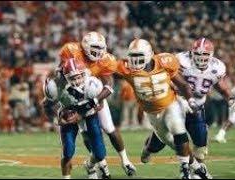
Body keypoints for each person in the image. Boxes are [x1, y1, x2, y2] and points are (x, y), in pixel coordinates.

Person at [117, 38, 209, 179]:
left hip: (170, 104)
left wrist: (190, 100)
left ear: (149, 54)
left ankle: (184, 171)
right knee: (171, 142)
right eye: (133, 56)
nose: (135, 60)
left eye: (139, 56)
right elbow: (104, 68)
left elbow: (183, 84)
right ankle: (196, 166)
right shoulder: (125, 67)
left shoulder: (164, 62)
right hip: (152, 113)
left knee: (178, 129)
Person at [58, 31, 136, 177]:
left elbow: (109, 85)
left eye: (101, 47)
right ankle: (100, 164)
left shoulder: (106, 60)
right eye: (95, 47)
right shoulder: (72, 51)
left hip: (94, 96)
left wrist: (95, 100)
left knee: (109, 127)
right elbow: (60, 74)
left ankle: (124, 160)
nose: (99, 51)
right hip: (75, 100)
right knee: (86, 133)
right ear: (85, 45)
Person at [43, 58, 110, 179]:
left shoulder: (92, 84)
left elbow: (101, 103)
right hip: (68, 115)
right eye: (72, 78)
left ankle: (90, 165)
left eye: (79, 77)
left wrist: (82, 113)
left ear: (85, 73)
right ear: (65, 77)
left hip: (88, 114)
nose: (77, 81)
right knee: (68, 151)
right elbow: (46, 105)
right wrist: (56, 119)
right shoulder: (57, 86)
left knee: (100, 153)